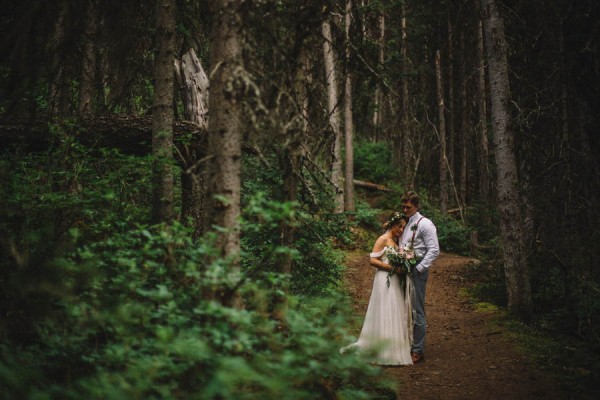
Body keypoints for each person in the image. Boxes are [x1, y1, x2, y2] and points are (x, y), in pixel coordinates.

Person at [340, 212, 414, 366]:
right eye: (400, 227)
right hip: (384, 279)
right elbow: (372, 260)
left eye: (403, 227)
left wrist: (406, 262)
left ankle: (392, 347)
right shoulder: (383, 239)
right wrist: (391, 267)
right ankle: (384, 350)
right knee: (385, 310)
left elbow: (403, 258)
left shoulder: (396, 241)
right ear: (393, 225)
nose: (401, 230)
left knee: (394, 310)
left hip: (394, 280)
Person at [399, 191, 440, 364]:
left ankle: (418, 350)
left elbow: (434, 250)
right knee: (405, 306)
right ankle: (408, 343)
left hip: (418, 269)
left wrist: (420, 268)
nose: (405, 209)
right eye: (403, 206)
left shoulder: (426, 224)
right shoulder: (407, 223)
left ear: (416, 206)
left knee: (417, 309)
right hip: (405, 268)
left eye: (408, 207)